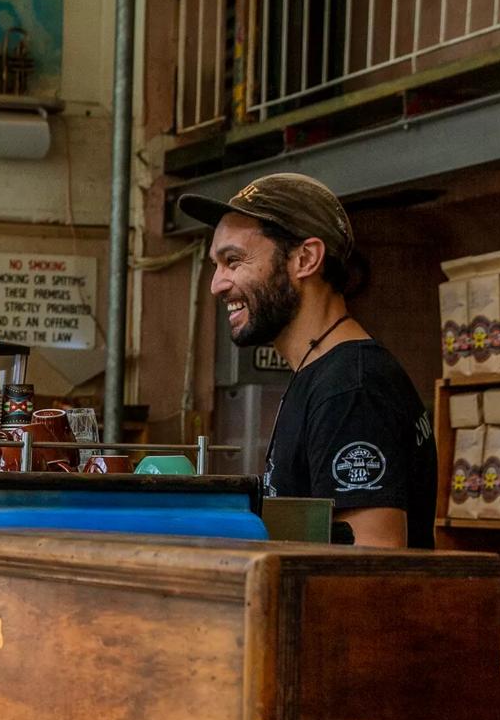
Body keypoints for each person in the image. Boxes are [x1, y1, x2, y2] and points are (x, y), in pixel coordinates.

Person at [179, 172, 436, 549]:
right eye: (216, 266)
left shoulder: (351, 389)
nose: (217, 284)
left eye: (233, 261)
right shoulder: (322, 374)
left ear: (306, 258)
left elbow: (373, 565)